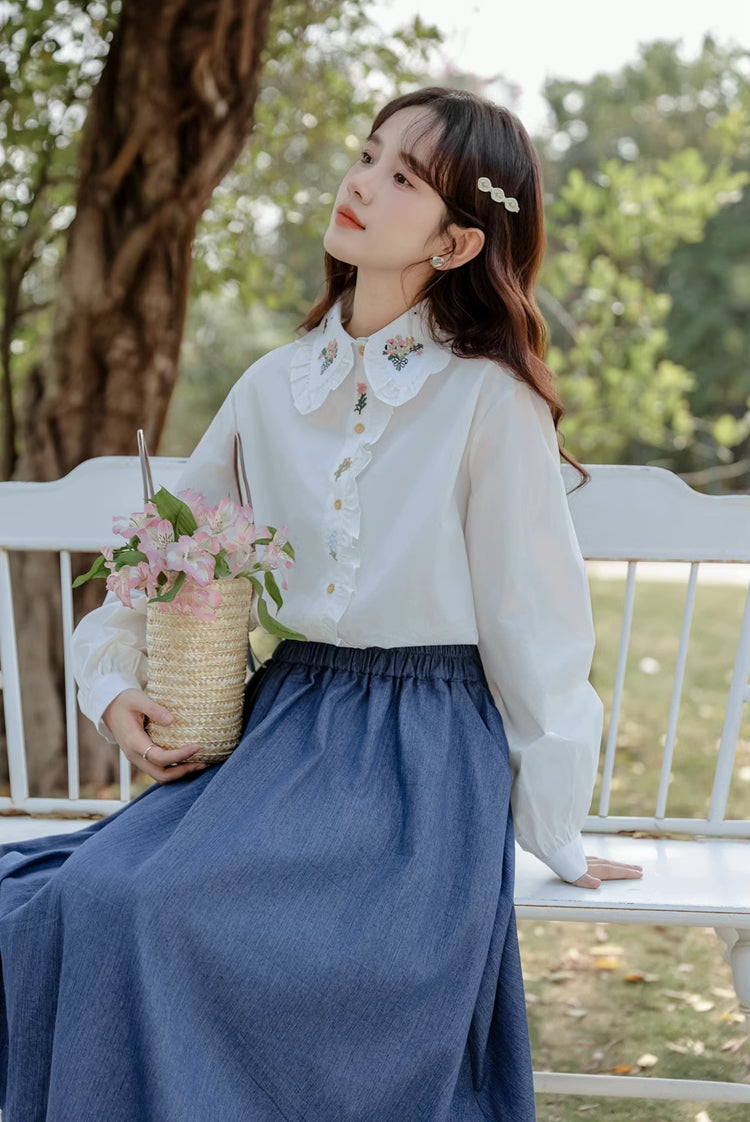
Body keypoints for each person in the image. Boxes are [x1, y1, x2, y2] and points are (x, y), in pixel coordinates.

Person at [0, 86, 641, 1121]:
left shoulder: (488, 399)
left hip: (419, 762)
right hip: (284, 729)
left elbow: (536, 625)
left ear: (457, 241)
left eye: (404, 180)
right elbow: (161, 550)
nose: (362, 184)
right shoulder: (271, 385)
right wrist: (113, 684)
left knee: (154, 912)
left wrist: (556, 828)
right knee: (83, 900)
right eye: (368, 154)